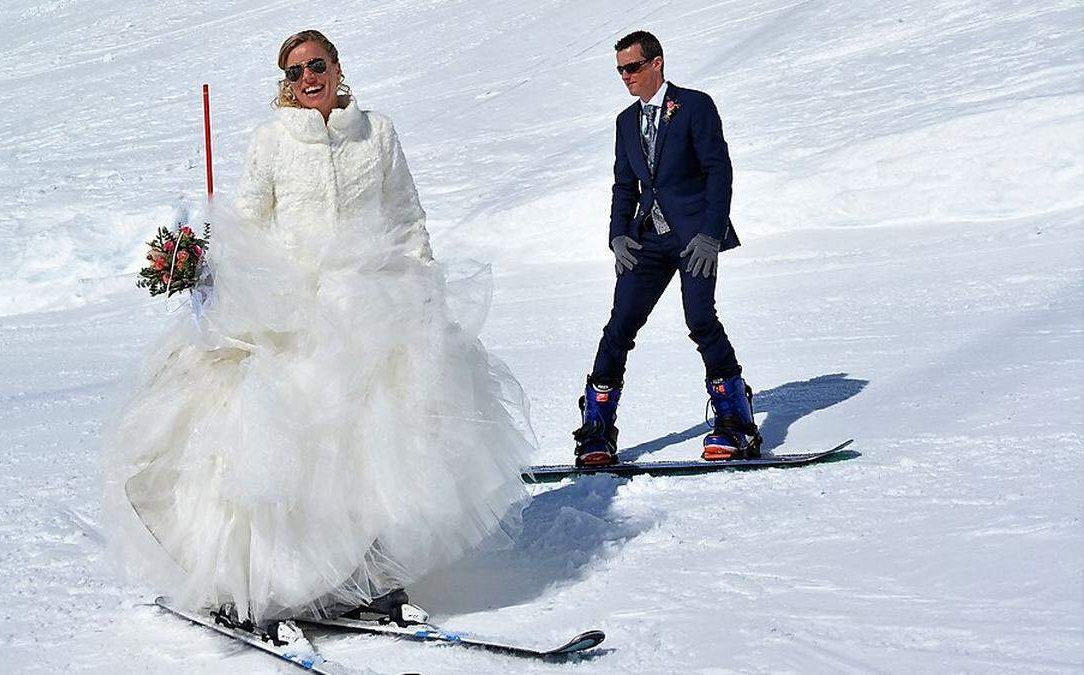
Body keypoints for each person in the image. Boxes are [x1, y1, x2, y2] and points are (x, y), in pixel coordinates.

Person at [104, 30, 534, 629]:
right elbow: (248, 223)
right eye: (295, 70)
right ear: (286, 82)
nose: (309, 77)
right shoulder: (272, 141)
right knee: (290, 448)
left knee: (383, 447)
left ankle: (374, 580)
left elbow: (407, 216)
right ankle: (261, 581)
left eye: (318, 64)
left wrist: (425, 285)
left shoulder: (377, 133)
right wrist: (216, 274)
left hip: (375, 308)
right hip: (294, 313)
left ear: (337, 67)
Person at [572, 30, 762, 467]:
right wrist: (617, 234)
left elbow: (719, 170)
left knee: (700, 320)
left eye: (633, 67)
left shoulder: (695, 105)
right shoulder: (625, 121)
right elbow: (625, 184)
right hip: (647, 241)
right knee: (620, 326)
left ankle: (736, 420)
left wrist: (712, 234)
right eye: (620, 69)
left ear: (657, 63)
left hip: (695, 237)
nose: (626, 77)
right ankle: (597, 430)